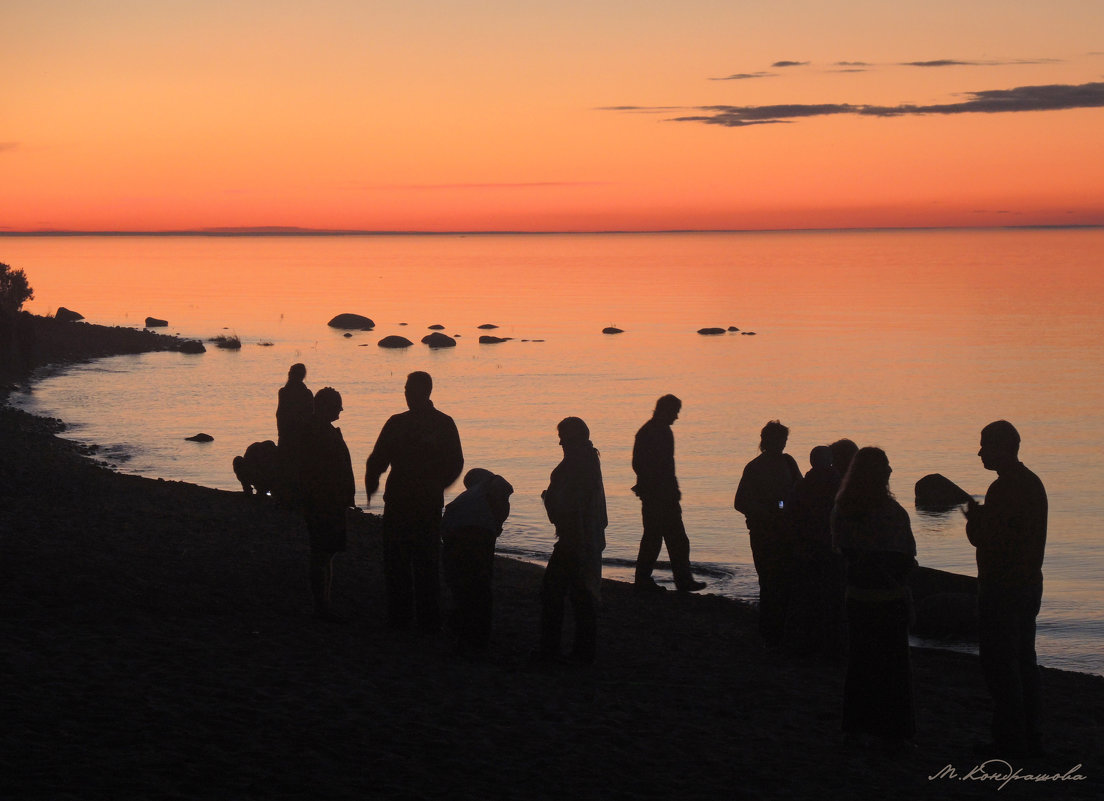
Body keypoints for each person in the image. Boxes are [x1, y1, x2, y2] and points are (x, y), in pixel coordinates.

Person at [964, 420, 1048, 758]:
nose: (980, 451)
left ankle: (1009, 741)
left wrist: (974, 520)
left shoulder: (1003, 489)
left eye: (985, 445)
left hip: (1002, 586)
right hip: (1028, 583)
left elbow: (987, 540)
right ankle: (1029, 736)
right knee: (1024, 660)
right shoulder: (1031, 483)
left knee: (999, 664)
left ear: (1002, 448)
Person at [831, 446, 917, 748]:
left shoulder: (842, 509)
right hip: (888, 599)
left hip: (857, 598)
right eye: (888, 466)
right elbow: (908, 557)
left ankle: (854, 728)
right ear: (881, 474)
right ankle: (895, 733)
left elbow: (839, 551)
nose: (892, 470)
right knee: (894, 669)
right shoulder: (893, 513)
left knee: (860, 666)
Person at [364, 371, 463, 633]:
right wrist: (372, 481)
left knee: (420, 561)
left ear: (424, 392)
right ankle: (409, 618)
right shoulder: (404, 422)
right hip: (405, 501)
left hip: (420, 502)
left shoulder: (438, 423)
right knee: (408, 561)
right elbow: (378, 459)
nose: (406, 394)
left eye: (409, 390)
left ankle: (417, 619)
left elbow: (456, 462)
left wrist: (436, 485)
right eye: (406, 389)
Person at [536, 417, 607, 665]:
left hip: (574, 538)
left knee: (556, 593)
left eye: (563, 437)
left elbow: (576, 505)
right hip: (577, 537)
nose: (560, 443)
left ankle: (553, 651)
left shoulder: (580, 464)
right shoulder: (586, 461)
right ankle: (581, 651)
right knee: (578, 594)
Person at [733, 420, 802, 646]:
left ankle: (780, 629)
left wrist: (785, 508)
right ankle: (769, 631)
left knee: (785, 580)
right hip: (764, 532)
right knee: (769, 580)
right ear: (766, 441)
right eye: (778, 440)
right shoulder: (754, 467)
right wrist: (768, 511)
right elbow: (740, 502)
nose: (781, 444)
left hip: (786, 531)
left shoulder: (788, 462)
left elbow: (800, 491)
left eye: (783, 440)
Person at [631, 395, 706, 593]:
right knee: (671, 539)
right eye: (675, 412)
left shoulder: (653, 430)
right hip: (660, 495)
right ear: (665, 411)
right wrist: (662, 488)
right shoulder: (656, 431)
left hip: (658, 494)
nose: (676, 417)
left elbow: (643, 464)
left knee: (658, 538)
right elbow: (650, 466)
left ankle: (647, 578)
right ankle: (677, 580)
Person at [441, 468, 514, 655]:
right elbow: (506, 490)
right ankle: (476, 636)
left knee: (461, 582)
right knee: (479, 585)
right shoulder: (495, 483)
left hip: (454, 530)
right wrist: (497, 524)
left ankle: (460, 628)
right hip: (477, 533)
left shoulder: (467, 497)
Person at [299, 387, 355, 622]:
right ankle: (321, 606)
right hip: (324, 502)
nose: (340, 410)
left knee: (326, 554)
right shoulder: (316, 432)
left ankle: (324, 603)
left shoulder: (320, 430)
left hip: (330, 501)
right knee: (321, 554)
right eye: (336, 405)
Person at [787, 445, 844, 656]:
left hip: (808, 548)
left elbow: (791, 513)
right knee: (831, 597)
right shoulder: (837, 485)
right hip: (829, 548)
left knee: (810, 598)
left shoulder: (802, 486)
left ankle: (808, 642)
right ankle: (830, 643)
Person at [276, 363, 313, 505]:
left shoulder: (284, 392)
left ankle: (285, 497)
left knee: (287, 467)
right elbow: (309, 415)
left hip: (286, 434)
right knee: (297, 467)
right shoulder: (305, 393)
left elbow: (280, 415)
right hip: (298, 436)